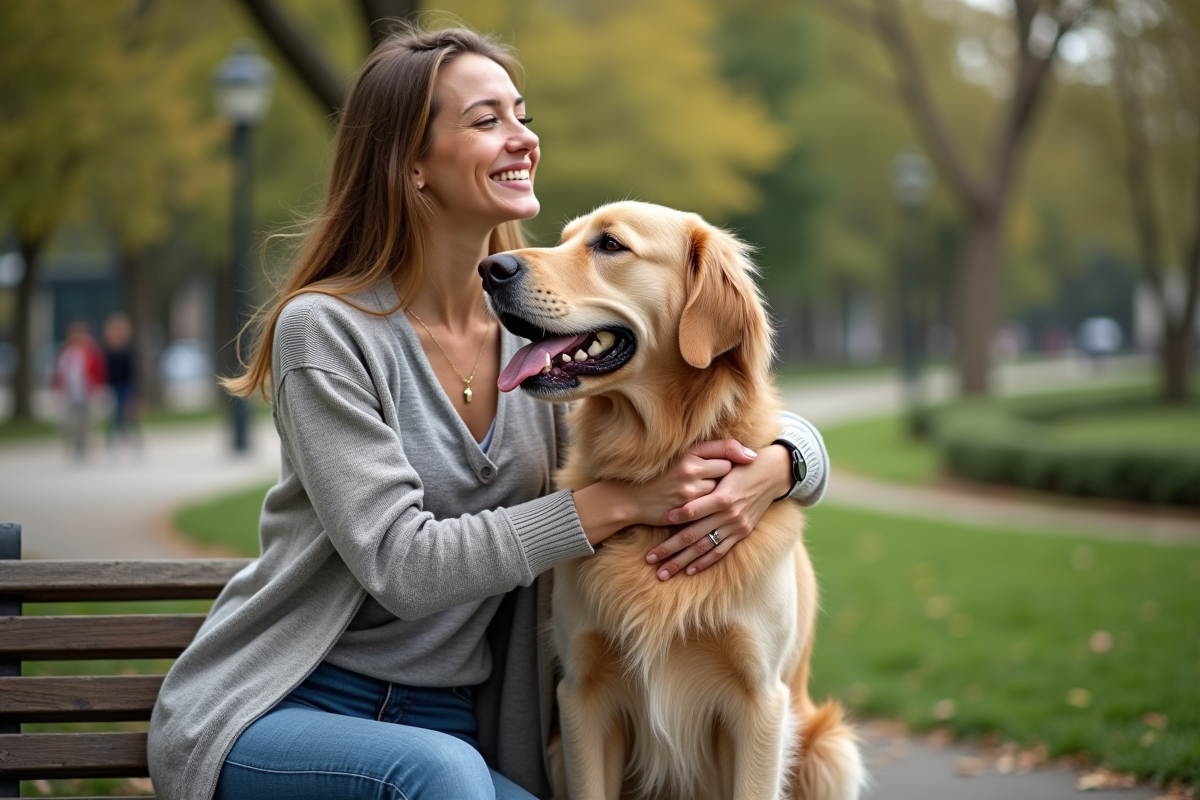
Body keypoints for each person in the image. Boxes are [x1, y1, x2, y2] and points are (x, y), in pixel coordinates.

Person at [148, 26, 830, 800]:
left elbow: (725, 395)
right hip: (292, 707)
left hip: (456, 737)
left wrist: (782, 464)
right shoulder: (328, 333)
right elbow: (403, 564)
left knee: (446, 773)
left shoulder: (542, 340)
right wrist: (615, 503)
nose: (524, 140)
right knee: (437, 776)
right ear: (411, 165)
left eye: (522, 114)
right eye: (487, 120)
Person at [52, 319, 106, 461]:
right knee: (68, 424)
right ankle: (75, 446)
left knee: (85, 423)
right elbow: (58, 373)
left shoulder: (91, 352)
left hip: (86, 393)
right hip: (69, 394)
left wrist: (99, 390)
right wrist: (57, 390)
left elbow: (98, 372)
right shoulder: (65, 351)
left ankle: (83, 449)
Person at [101, 312, 140, 453]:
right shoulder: (107, 351)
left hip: (126, 386)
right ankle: (111, 445)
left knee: (129, 415)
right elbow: (105, 372)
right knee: (114, 416)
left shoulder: (128, 350)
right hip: (113, 387)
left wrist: (135, 393)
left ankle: (135, 442)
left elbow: (133, 373)